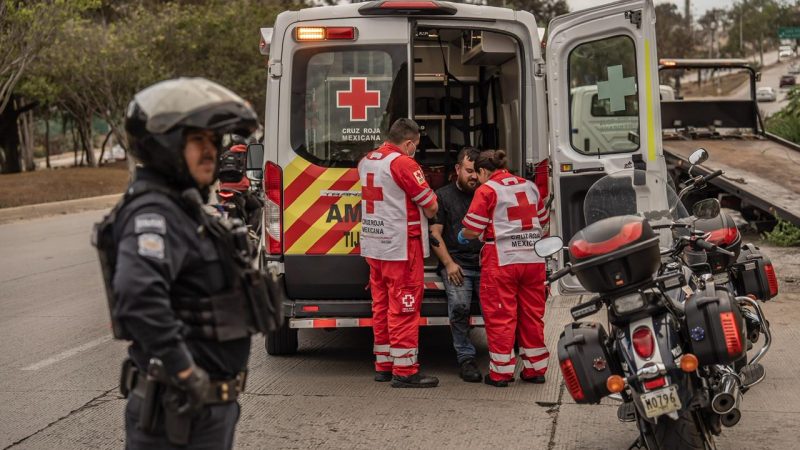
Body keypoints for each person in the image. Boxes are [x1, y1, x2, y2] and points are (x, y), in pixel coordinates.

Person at [94, 77, 275, 449]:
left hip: (203, 412)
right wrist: (184, 371)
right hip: (178, 411)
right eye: (197, 141)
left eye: (213, 141)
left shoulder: (185, 210)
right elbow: (139, 295)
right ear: (165, 145)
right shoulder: (154, 213)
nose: (211, 152)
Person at [358, 118, 440, 388]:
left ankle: (384, 364)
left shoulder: (368, 159)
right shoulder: (403, 163)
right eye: (415, 145)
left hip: (374, 245)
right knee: (403, 308)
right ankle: (405, 372)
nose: (415, 149)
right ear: (408, 142)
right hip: (400, 247)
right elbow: (430, 205)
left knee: (380, 307)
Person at [458, 150, 550, 387]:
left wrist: (466, 235)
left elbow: (471, 229)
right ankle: (535, 369)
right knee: (531, 315)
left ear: (482, 171)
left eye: (477, 174)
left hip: (502, 261)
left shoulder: (487, 190)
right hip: (533, 259)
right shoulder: (529, 187)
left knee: (501, 317)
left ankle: (500, 374)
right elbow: (544, 222)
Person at [429, 147, 483, 382]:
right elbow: (434, 234)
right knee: (460, 307)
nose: (474, 176)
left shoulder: (488, 193)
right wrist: (449, 264)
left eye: (478, 172)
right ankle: (466, 359)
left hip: (486, 264)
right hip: (458, 264)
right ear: (458, 169)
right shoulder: (442, 196)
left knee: (499, 310)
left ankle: (505, 356)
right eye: (469, 171)